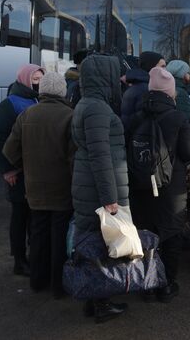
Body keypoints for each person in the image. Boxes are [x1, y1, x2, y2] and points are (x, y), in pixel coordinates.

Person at [2, 72, 75, 299]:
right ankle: (57, 286)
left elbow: (9, 150)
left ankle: (36, 280)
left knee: (38, 233)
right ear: (63, 91)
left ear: (41, 90)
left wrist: (25, 165)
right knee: (59, 236)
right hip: (62, 189)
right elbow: (75, 157)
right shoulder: (70, 116)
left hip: (33, 188)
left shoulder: (26, 115)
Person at [128, 66, 190, 303]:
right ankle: (166, 286)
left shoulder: (136, 116)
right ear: (170, 92)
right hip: (171, 188)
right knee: (171, 235)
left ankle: (146, 285)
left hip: (140, 185)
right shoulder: (177, 117)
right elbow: (188, 152)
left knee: (145, 236)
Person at [71, 54, 129, 323]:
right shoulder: (97, 108)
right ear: (103, 77)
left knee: (92, 243)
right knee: (100, 245)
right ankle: (101, 303)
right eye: (114, 75)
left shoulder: (88, 103)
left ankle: (92, 299)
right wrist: (110, 199)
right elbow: (100, 155)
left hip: (87, 184)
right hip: (97, 190)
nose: (119, 80)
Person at [0, 63, 45, 277]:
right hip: (18, 171)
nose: (38, 83)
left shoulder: (37, 99)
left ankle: (33, 255)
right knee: (20, 215)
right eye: (35, 79)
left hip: (35, 170)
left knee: (34, 215)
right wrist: (8, 170)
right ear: (25, 79)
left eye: (41, 79)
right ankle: (19, 260)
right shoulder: (9, 104)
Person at [121, 51, 165, 129]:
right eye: (162, 66)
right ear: (151, 67)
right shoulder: (145, 90)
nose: (165, 70)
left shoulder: (141, 85)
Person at [166, 60, 190, 138]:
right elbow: (184, 122)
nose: (189, 75)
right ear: (182, 74)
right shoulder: (180, 93)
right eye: (188, 72)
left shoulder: (168, 87)